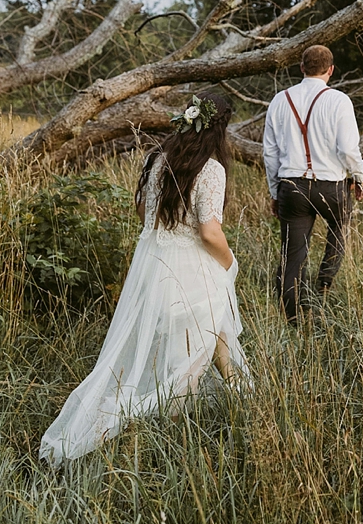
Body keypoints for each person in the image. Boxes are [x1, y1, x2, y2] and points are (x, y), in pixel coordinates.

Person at [40, 90, 248, 463]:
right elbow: (209, 232)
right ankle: (161, 437)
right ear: (219, 127)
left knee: (211, 338)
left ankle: (243, 398)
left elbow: (143, 213)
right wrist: (230, 263)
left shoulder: (159, 158)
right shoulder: (211, 169)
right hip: (190, 266)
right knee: (187, 367)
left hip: (154, 263)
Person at [264, 44, 363, 323]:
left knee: (292, 255)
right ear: (331, 70)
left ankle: (292, 319)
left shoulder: (279, 100)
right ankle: (323, 286)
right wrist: (359, 175)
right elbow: (347, 148)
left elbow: (270, 153)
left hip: (292, 186)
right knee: (339, 231)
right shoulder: (339, 100)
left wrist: (275, 192)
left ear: (301, 68)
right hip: (331, 187)